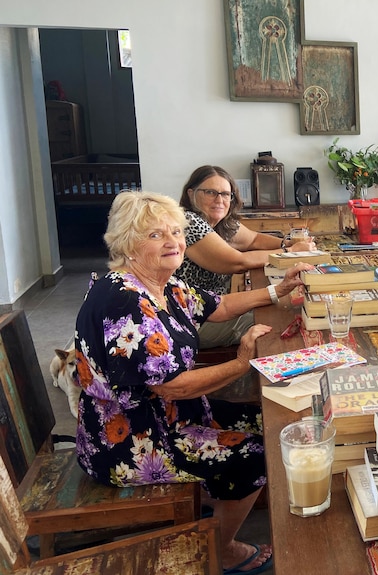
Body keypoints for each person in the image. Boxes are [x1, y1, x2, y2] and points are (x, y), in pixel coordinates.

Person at [74, 191, 312, 574]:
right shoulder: (123, 301)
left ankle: (219, 502)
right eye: (155, 235)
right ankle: (223, 549)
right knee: (256, 455)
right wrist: (240, 364)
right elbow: (174, 386)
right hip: (131, 439)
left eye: (175, 232)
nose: (173, 242)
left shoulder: (161, 284)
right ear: (128, 245)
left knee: (265, 421)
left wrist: (276, 291)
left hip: (171, 414)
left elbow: (217, 306)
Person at [176, 165, 315, 348]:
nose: (219, 199)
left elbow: (254, 240)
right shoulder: (188, 222)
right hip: (189, 321)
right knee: (279, 323)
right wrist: (290, 252)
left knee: (281, 312)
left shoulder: (220, 223)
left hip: (215, 309)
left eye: (226, 194)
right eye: (210, 192)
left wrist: (286, 242)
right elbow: (237, 262)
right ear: (191, 193)